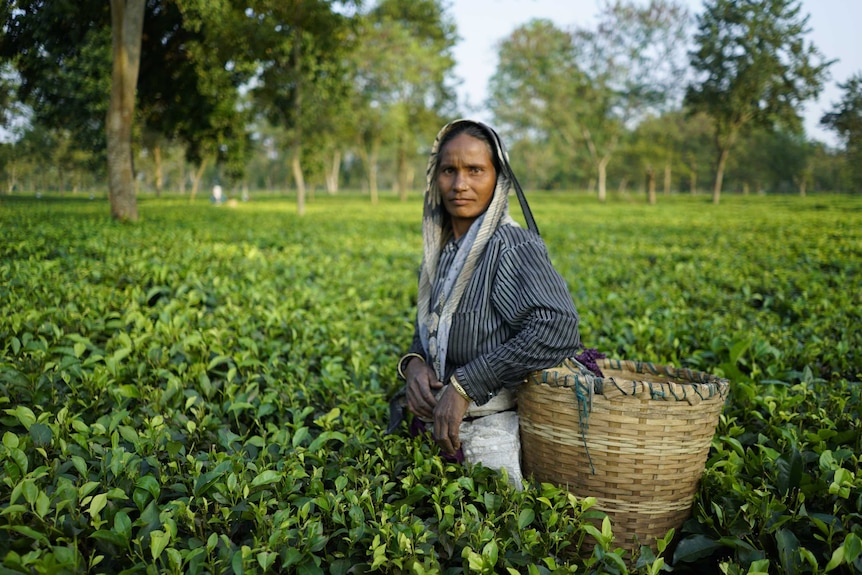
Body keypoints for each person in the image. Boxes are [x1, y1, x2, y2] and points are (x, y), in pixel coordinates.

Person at [389, 119, 584, 486]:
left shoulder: (511, 245)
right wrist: (413, 365)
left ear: (499, 177)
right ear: (435, 178)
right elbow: (434, 331)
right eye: (449, 170)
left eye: (475, 170)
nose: (460, 184)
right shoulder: (441, 254)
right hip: (440, 426)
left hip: (493, 429)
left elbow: (557, 327)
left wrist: (466, 385)